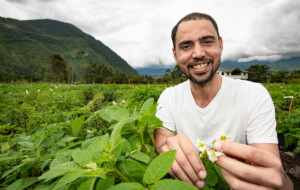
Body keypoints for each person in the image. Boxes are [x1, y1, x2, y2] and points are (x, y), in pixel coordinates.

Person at [155, 12, 293, 189]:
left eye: (207, 42)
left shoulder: (254, 94)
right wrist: (165, 148)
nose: (198, 53)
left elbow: (272, 173)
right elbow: (163, 142)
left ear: (220, 45)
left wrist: (282, 183)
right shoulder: (169, 97)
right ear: (175, 55)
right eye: (186, 46)